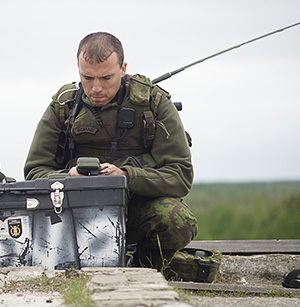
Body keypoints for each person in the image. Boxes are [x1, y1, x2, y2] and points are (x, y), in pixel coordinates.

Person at [24, 32, 198, 271]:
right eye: (87, 77)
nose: (96, 88)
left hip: (135, 210)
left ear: (123, 68)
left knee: (176, 221)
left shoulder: (154, 104)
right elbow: (35, 172)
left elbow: (180, 176)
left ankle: (144, 268)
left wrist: (127, 177)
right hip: (73, 212)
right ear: (78, 70)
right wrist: (70, 178)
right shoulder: (63, 106)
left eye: (106, 78)